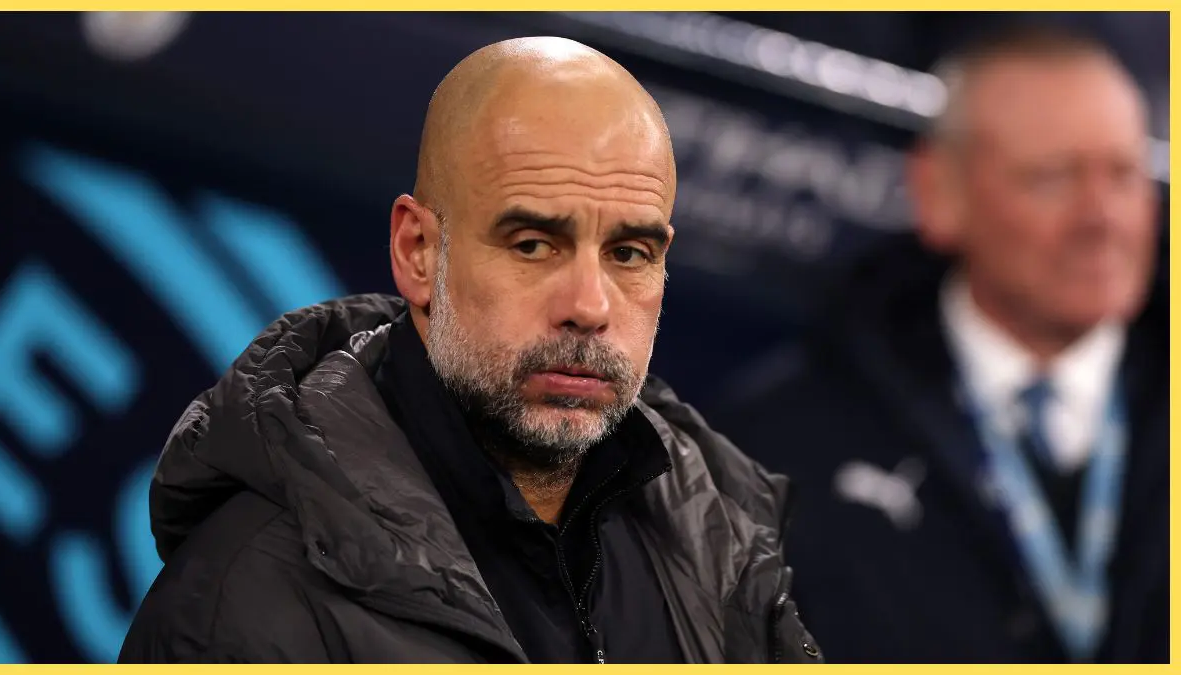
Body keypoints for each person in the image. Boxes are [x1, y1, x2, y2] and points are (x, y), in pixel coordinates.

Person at [117, 37, 822, 664]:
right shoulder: (242, 607)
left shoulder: (718, 543)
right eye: (533, 244)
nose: (590, 306)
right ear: (418, 251)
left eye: (629, 253)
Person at [712, 25, 1167, 663]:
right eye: (1053, 177)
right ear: (939, 193)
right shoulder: (769, 454)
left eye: (1124, 174)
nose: (1103, 217)